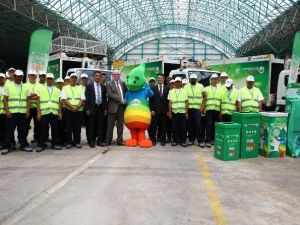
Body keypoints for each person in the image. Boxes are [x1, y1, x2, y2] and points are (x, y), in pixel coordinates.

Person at [1, 70, 32, 155]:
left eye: (21, 76)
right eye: (18, 76)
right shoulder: (8, 86)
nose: (19, 78)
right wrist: (7, 111)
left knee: (22, 130)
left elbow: (28, 99)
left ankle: (24, 145)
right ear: (14, 76)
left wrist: (28, 110)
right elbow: (4, 99)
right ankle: (7, 146)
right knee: (9, 130)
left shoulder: (25, 87)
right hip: (12, 112)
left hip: (22, 112)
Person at [36, 73, 62, 152]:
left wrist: (60, 112)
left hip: (54, 112)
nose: (49, 80)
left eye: (51, 79)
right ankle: (40, 145)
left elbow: (60, 102)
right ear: (46, 80)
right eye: (48, 79)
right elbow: (38, 102)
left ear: (53, 80)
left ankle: (54, 144)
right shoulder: (41, 89)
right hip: (44, 112)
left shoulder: (57, 90)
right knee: (43, 129)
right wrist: (38, 113)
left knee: (55, 129)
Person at [61, 73, 85, 149]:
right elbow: (64, 99)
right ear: (70, 79)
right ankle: (69, 142)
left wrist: (77, 107)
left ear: (76, 79)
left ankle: (77, 142)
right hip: (68, 110)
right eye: (72, 78)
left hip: (78, 111)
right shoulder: (65, 88)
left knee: (77, 127)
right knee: (68, 127)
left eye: (75, 78)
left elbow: (82, 98)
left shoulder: (80, 88)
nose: (73, 79)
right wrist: (72, 107)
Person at [85, 71, 107, 148]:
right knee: (91, 125)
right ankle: (92, 141)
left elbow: (104, 99)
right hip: (92, 108)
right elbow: (87, 98)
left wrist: (105, 109)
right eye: (96, 76)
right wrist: (87, 109)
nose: (98, 77)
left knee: (100, 125)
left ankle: (99, 141)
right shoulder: (89, 86)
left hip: (100, 108)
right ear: (94, 77)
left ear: (101, 77)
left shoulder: (103, 86)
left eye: (99, 76)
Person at [105, 69, 127, 146]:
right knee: (110, 126)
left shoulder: (123, 83)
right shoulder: (108, 83)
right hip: (112, 108)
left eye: (117, 74)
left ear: (120, 75)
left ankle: (120, 140)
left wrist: (126, 100)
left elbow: (126, 93)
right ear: (112, 75)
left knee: (120, 126)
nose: (116, 76)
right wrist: (120, 99)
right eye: (114, 74)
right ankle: (108, 141)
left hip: (121, 108)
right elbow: (110, 94)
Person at [184, 73, 206, 148]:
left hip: (197, 109)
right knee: (190, 125)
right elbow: (184, 98)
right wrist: (186, 110)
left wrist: (202, 107)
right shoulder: (186, 86)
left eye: (194, 79)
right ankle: (191, 139)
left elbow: (204, 97)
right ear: (190, 79)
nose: (193, 80)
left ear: (196, 79)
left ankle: (200, 141)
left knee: (198, 125)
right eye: (192, 79)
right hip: (189, 109)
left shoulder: (201, 86)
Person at [149, 74, 169, 146]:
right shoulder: (153, 89)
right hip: (155, 112)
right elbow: (151, 101)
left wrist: (168, 111)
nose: (160, 79)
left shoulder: (167, 88)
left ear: (164, 79)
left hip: (164, 112)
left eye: (161, 78)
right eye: (159, 78)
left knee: (163, 127)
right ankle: (153, 140)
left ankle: (162, 140)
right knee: (154, 127)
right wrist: (151, 110)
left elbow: (168, 101)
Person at [203, 74, 222, 148]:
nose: (214, 80)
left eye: (216, 79)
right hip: (209, 109)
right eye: (213, 79)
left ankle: (213, 140)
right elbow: (204, 100)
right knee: (208, 125)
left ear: (217, 80)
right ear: (211, 80)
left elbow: (221, 101)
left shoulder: (220, 89)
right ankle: (208, 140)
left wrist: (220, 111)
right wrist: (204, 109)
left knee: (215, 126)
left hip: (217, 110)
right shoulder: (206, 88)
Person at [168, 77, 188, 147]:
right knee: (174, 127)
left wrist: (186, 113)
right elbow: (170, 103)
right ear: (174, 83)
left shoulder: (184, 91)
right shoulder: (171, 91)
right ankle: (175, 140)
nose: (177, 83)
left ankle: (183, 141)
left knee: (183, 127)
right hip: (174, 112)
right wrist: (170, 113)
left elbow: (186, 102)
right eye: (176, 82)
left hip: (182, 112)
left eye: (179, 82)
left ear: (181, 83)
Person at [25, 69, 41, 143]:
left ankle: (36, 138)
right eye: (31, 75)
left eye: (34, 75)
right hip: (27, 108)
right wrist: (34, 95)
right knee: (25, 125)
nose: (32, 77)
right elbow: (24, 96)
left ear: (36, 77)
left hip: (37, 108)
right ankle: (23, 139)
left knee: (38, 124)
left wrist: (30, 95)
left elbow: (40, 96)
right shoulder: (24, 85)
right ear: (28, 76)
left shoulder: (40, 86)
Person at [56, 78, 66, 146]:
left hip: (64, 110)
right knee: (57, 127)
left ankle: (63, 140)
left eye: (61, 83)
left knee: (63, 126)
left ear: (63, 84)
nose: (60, 84)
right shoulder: (55, 90)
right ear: (56, 84)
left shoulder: (65, 90)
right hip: (57, 110)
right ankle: (57, 140)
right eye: (58, 83)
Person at [0, 73, 6, 149]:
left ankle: (9, 142)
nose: (1, 79)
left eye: (2, 78)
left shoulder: (7, 87)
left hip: (6, 112)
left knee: (7, 129)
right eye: (0, 78)